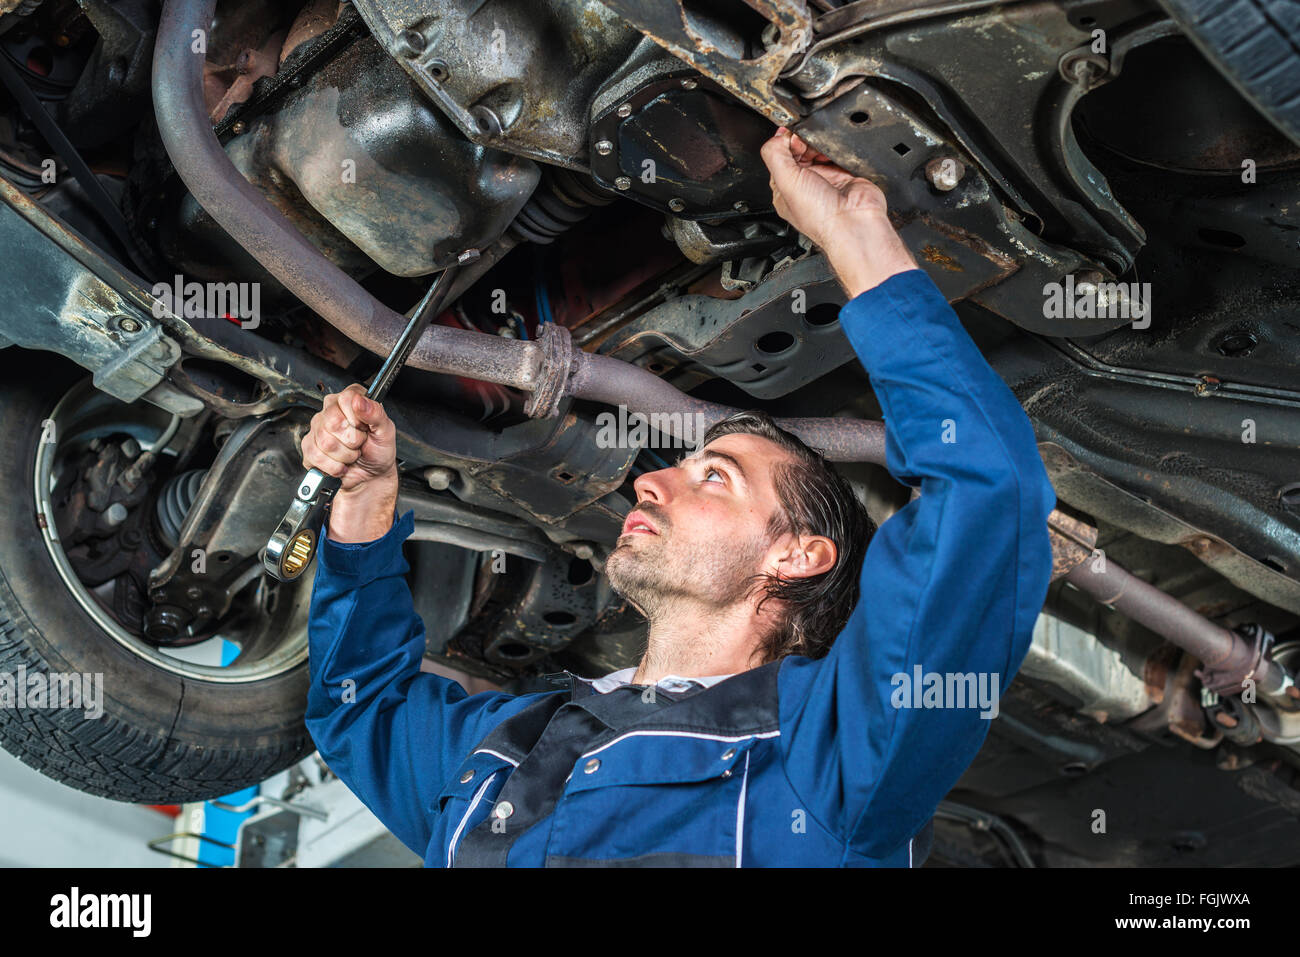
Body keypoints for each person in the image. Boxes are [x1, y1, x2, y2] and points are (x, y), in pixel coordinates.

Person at [300, 127, 1058, 867]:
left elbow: (987, 490)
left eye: (713, 475)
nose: (649, 479)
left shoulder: (829, 749)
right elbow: (361, 710)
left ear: (797, 554)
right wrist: (365, 499)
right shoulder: (507, 739)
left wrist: (852, 230)